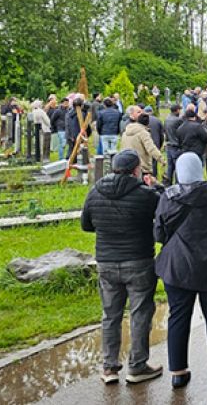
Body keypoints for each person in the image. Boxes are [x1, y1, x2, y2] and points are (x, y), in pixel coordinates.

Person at [154, 152, 207, 388]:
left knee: (178, 316)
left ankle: (178, 372)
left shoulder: (168, 197)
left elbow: (159, 234)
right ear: (200, 169)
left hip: (178, 267)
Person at [80, 149, 162, 384]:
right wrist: (155, 186)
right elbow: (164, 210)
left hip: (106, 261)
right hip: (139, 260)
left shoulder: (95, 192)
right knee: (140, 314)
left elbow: (86, 225)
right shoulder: (145, 195)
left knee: (110, 316)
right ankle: (137, 366)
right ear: (136, 170)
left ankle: (109, 367)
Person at [120, 107, 163, 176]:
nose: (141, 113)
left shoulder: (126, 131)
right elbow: (151, 148)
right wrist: (161, 159)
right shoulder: (143, 133)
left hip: (127, 165)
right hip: (141, 166)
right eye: (139, 112)